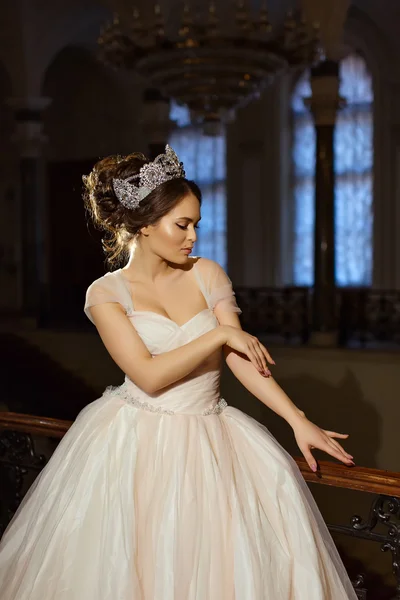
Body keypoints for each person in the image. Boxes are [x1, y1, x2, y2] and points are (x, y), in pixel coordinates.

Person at [0, 145, 358, 599]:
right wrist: (215, 337)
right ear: (144, 225)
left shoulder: (207, 274)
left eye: (196, 224)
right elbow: (149, 376)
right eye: (182, 225)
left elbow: (240, 355)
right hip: (133, 444)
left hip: (213, 436)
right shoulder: (106, 293)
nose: (193, 237)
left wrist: (296, 418)